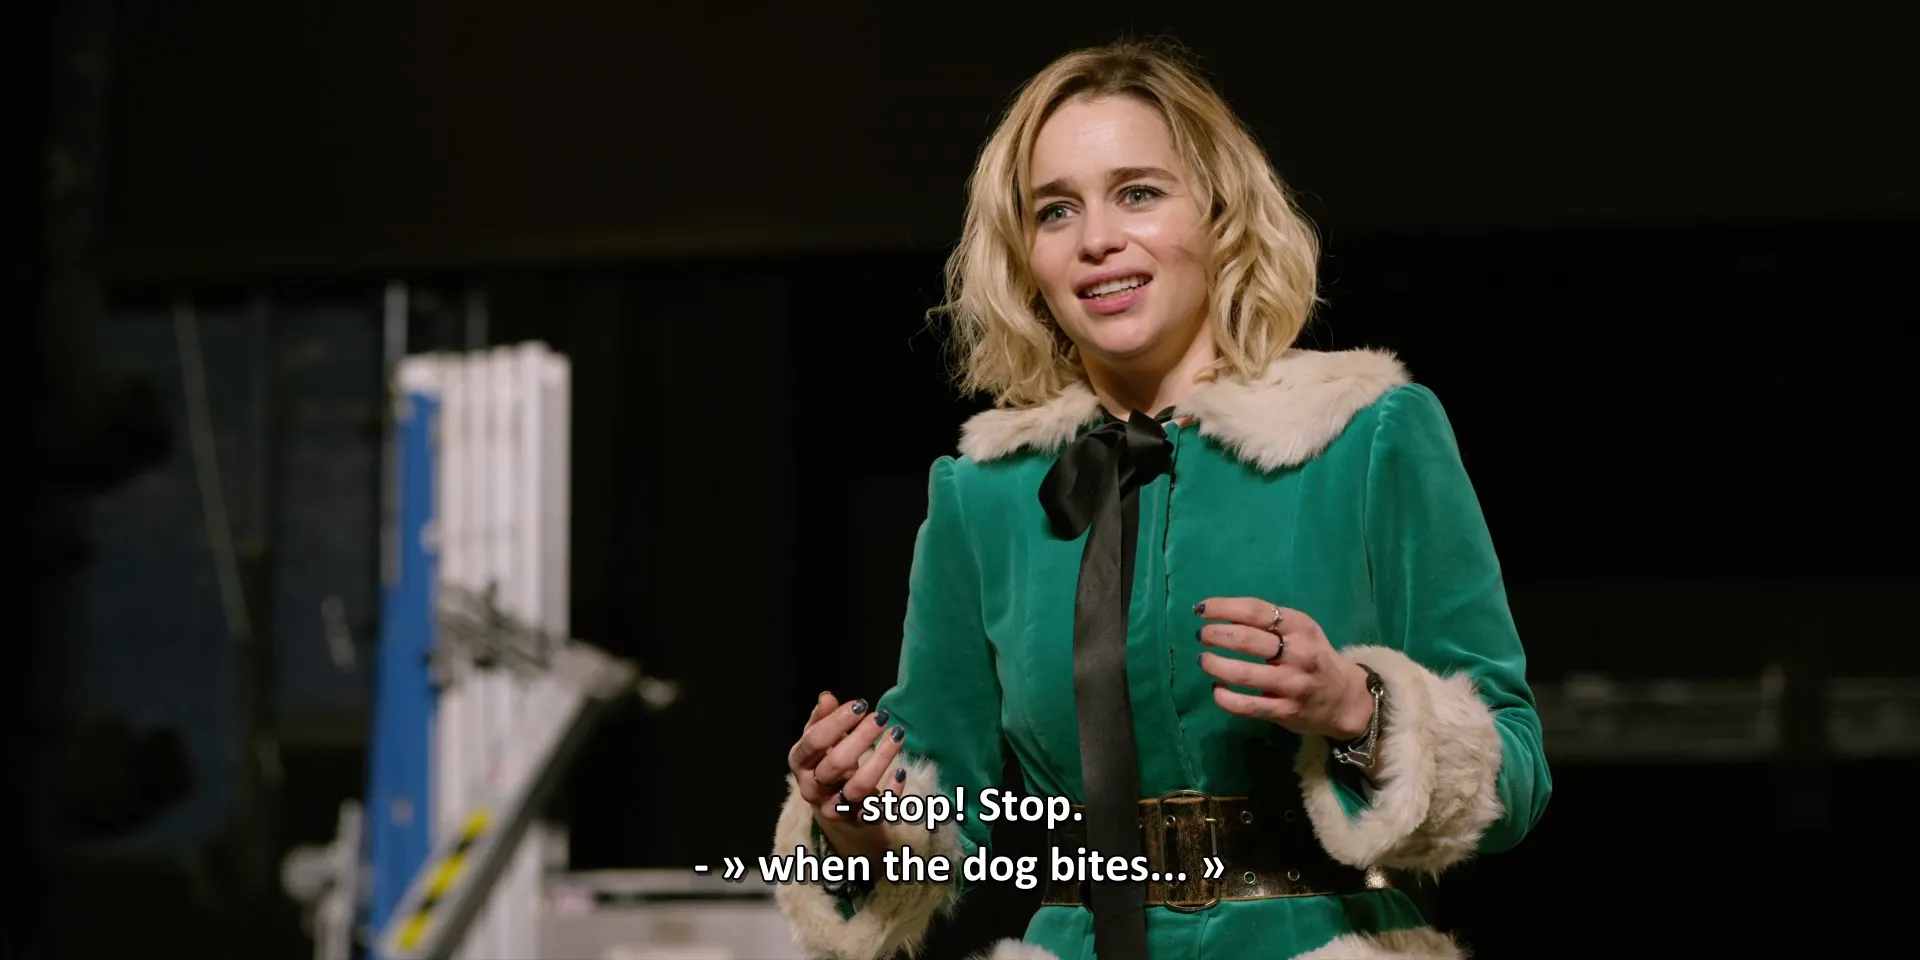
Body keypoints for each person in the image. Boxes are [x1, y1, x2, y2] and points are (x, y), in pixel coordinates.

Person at [775, 38, 1550, 960]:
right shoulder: (985, 495)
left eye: (1138, 193)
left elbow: (1515, 772)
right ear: (1025, 256)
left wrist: (1356, 707)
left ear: (1220, 213)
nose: (1097, 239)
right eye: (1055, 210)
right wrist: (861, 817)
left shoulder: (1366, 436)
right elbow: (940, 807)